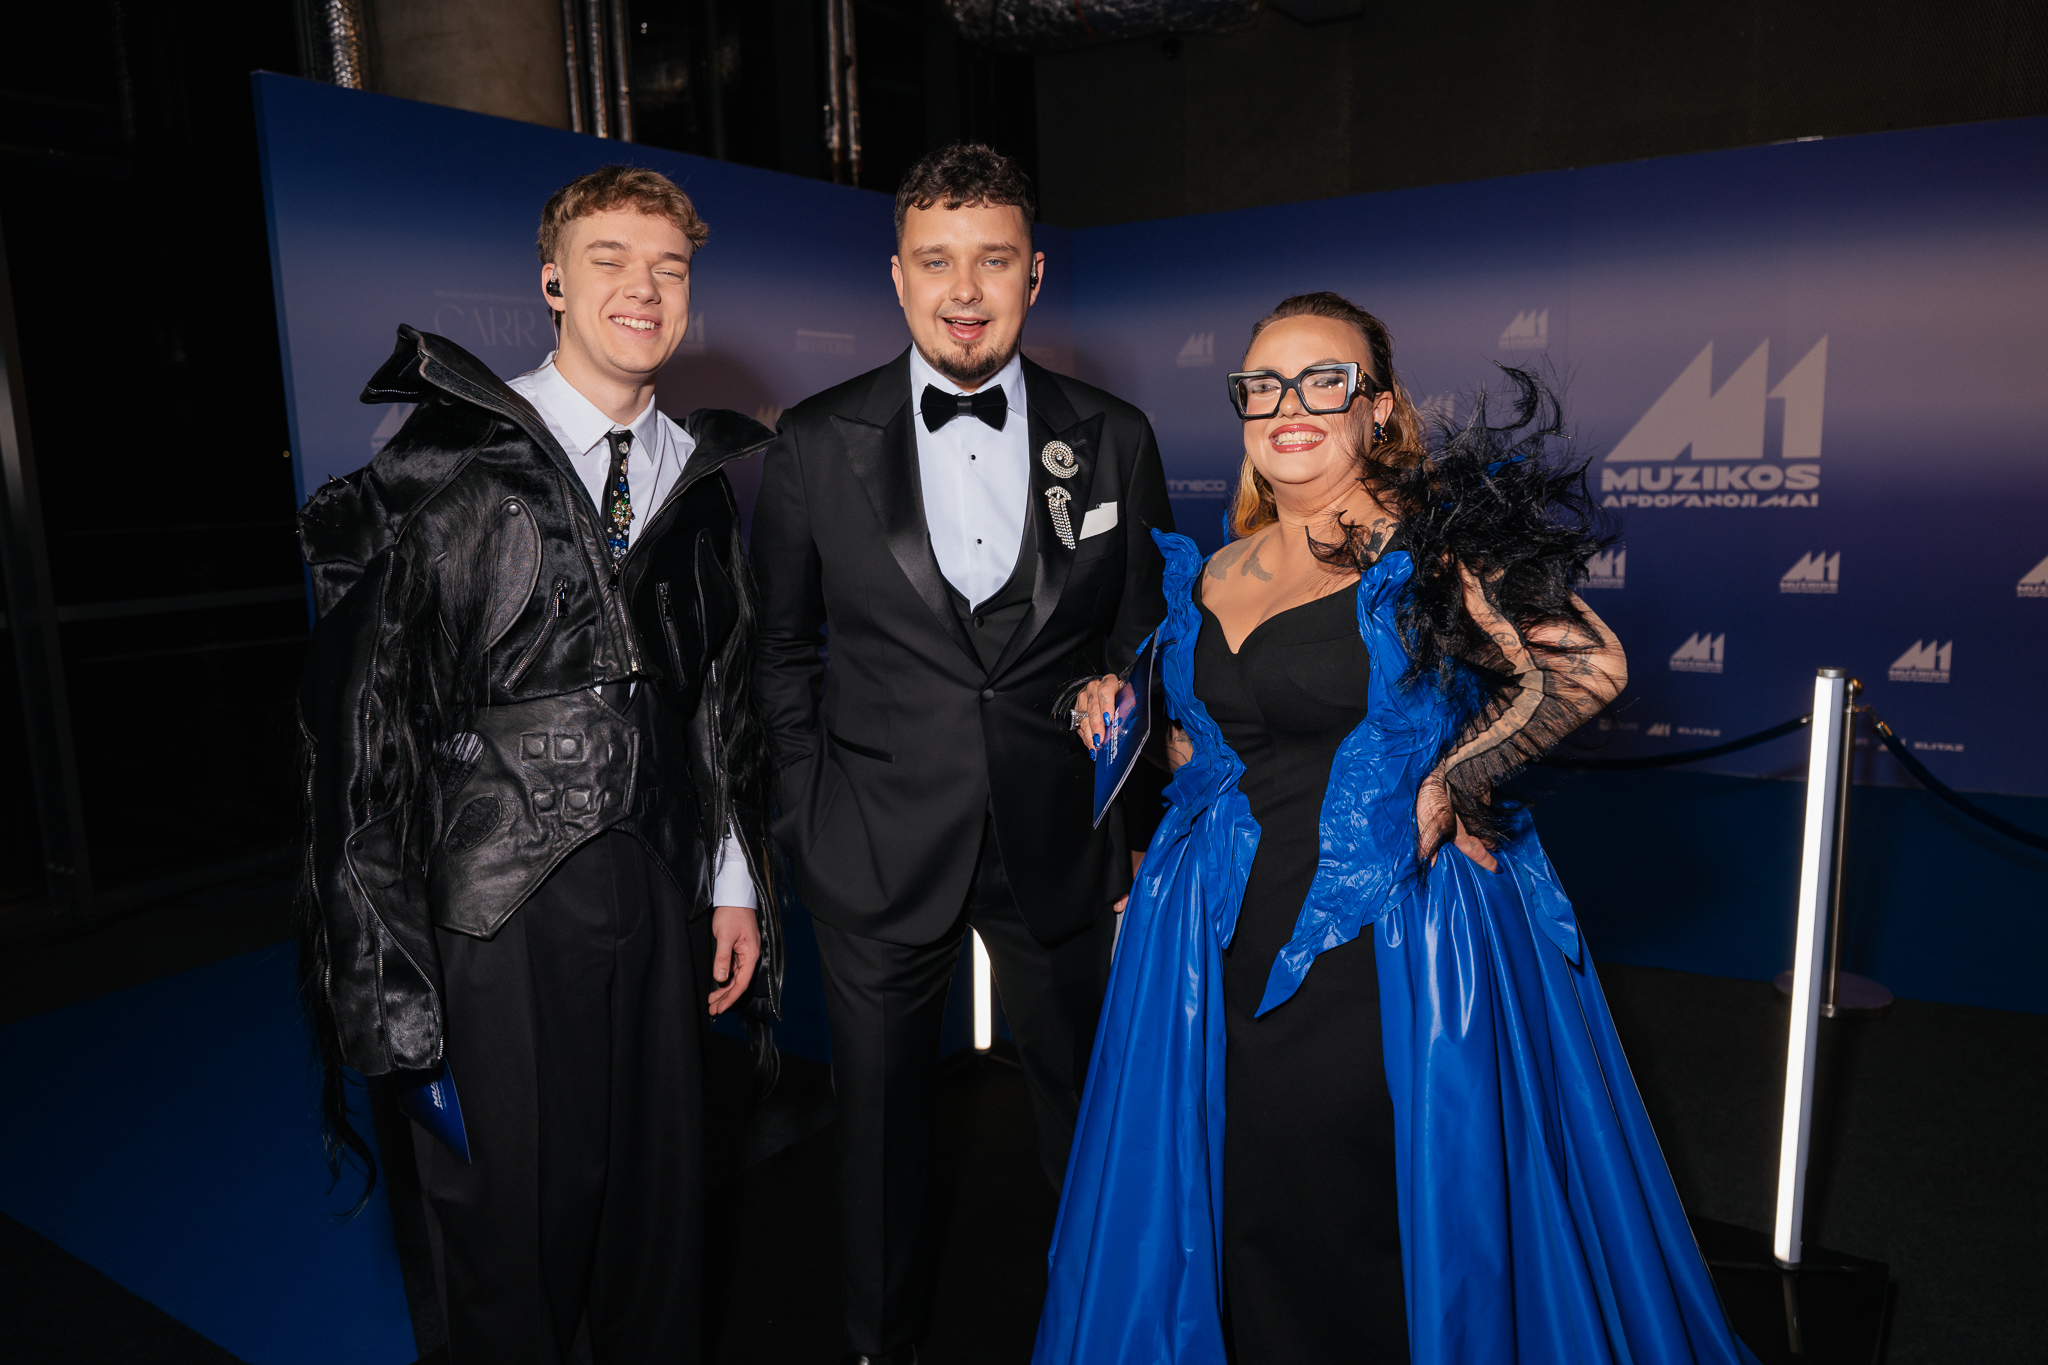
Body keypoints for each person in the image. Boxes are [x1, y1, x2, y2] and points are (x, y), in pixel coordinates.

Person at [1033, 292, 1763, 1365]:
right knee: (1240, 1194)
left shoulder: (1432, 545)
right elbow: (1203, 746)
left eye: (1321, 381)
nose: (1288, 405)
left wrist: (1455, 782)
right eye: (1262, 386)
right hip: (1212, 937)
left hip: (1385, 934)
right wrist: (1122, 717)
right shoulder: (1220, 566)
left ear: (1376, 407)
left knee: (1362, 1194)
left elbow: (1588, 667)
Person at [296, 165, 778, 1365]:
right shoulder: (445, 462)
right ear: (552, 282)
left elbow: (715, 700)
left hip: (656, 888)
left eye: (668, 267)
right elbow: (359, 742)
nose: (642, 289)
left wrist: (729, 882)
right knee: (504, 1233)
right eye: (609, 260)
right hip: (487, 907)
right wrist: (385, 984)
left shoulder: (699, 478)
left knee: (656, 1218)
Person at [752, 143, 1173, 1365]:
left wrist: (1129, 820)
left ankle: (1105, 1333)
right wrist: (808, 817)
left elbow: (1144, 636)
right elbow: (777, 649)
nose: (964, 291)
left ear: (1033, 274)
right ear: (896, 276)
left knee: (1089, 1122)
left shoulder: (1114, 434)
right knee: (877, 1140)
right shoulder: (815, 439)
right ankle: (877, 1345)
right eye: (935, 262)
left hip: (1061, 839)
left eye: (992, 261)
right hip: (875, 843)